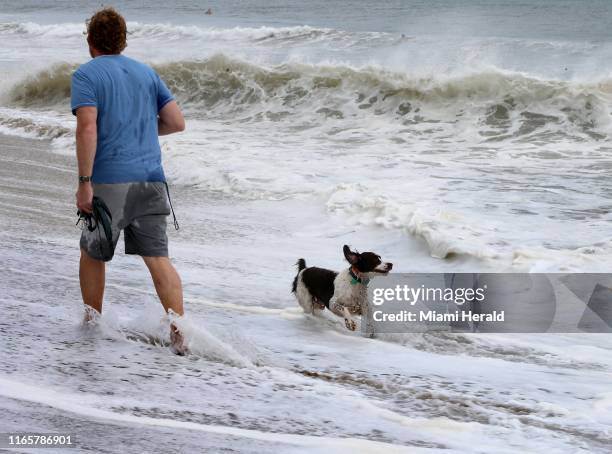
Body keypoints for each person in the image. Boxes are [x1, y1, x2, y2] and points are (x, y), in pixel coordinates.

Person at [71, 7, 188, 354]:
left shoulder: (87, 74)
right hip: (152, 181)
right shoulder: (146, 73)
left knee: (92, 253)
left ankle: (92, 323)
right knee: (158, 259)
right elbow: (176, 122)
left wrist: (84, 181)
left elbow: (87, 127)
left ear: (91, 41)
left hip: (110, 183)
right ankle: (180, 335)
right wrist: (137, 130)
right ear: (122, 41)